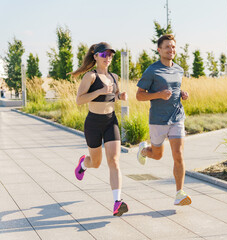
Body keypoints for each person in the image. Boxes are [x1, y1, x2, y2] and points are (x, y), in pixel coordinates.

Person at [69, 42, 129, 216]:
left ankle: (117, 202)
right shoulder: (90, 77)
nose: (107, 58)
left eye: (110, 55)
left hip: (111, 122)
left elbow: (113, 96)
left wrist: (119, 96)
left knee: (114, 161)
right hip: (93, 123)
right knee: (95, 163)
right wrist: (100, 91)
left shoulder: (114, 76)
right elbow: (79, 100)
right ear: (95, 56)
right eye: (104, 55)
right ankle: (83, 164)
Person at [136, 34, 192, 206]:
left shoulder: (179, 70)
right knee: (158, 155)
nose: (171, 50)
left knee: (179, 155)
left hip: (176, 117)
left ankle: (179, 193)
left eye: (173, 47)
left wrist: (182, 94)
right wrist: (159, 95)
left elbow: (176, 88)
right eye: (167, 47)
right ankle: (144, 151)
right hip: (158, 120)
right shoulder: (152, 70)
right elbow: (139, 95)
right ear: (159, 50)